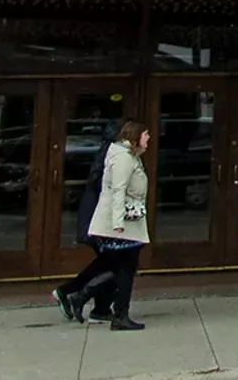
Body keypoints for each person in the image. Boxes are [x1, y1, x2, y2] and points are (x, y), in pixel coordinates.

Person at [51, 119, 119, 324]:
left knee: (110, 262)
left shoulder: (108, 152)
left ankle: (99, 306)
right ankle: (75, 294)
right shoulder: (112, 154)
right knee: (114, 263)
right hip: (99, 218)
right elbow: (102, 185)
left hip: (97, 216)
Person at [87, 120, 151, 331]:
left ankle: (84, 297)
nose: (148, 138)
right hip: (123, 226)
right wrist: (117, 224)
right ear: (135, 136)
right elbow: (118, 190)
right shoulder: (123, 158)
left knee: (122, 268)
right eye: (145, 134)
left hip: (125, 224)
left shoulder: (128, 156)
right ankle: (118, 314)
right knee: (125, 269)